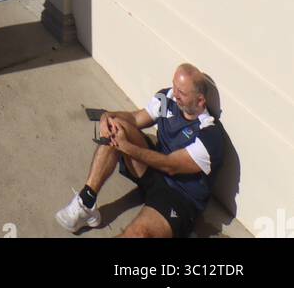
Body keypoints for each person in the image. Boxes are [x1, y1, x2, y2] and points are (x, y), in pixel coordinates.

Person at [55, 64, 224, 239]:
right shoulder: (168, 99)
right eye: (174, 86)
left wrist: (127, 148)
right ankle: (86, 201)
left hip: (179, 196)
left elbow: (171, 166)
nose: (175, 93)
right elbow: (136, 118)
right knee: (116, 126)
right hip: (154, 173)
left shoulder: (209, 136)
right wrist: (108, 116)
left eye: (181, 92)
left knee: (139, 234)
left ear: (200, 100)